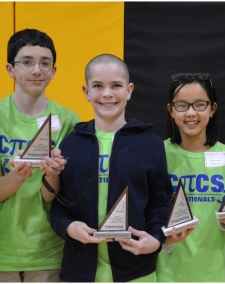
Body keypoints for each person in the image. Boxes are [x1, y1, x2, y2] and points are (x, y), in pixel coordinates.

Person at [47, 54, 171, 282]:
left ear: (129, 90)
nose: (107, 94)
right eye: (98, 86)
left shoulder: (150, 144)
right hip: (79, 272)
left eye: (116, 86)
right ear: (86, 92)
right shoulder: (71, 143)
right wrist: (68, 227)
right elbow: (58, 206)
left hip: (136, 273)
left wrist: (155, 239)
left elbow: (160, 202)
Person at [0, 28, 80, 282]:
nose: (36, 70)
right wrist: (17, 175)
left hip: (48, 250)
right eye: (27, 62)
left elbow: (53, 197)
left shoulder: (69, 120)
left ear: (53, 71)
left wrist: (52, 174)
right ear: (10, 69)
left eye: (44, 63)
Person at [154, 73, 225, 281]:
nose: (190, 113)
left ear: (212, 109)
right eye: (182, 106)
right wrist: (166, 240)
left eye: (199, 105)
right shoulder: (156, 154)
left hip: (212, 272)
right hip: (166, 273)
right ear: (171, 110)